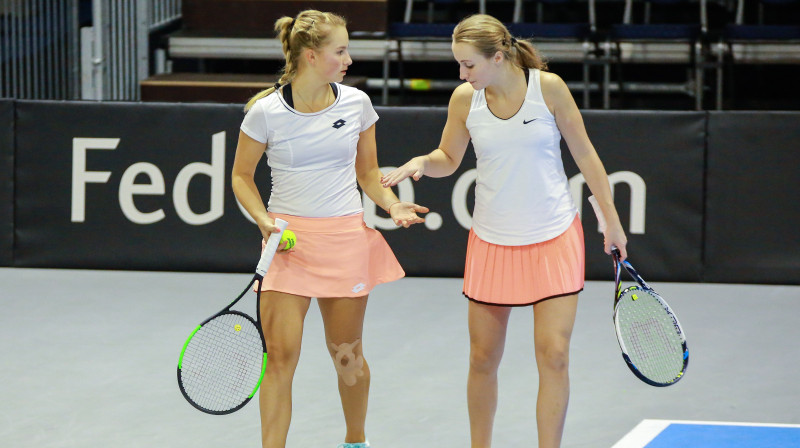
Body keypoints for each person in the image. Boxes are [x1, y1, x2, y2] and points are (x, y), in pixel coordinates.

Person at [380, 14, 628, 448]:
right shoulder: (464, 99)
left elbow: (586, 157)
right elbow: (448, 157)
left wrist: (611, 221)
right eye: (458, 65)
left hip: (553, 236)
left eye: (469, 65)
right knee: (482, 359)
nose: (462, 74)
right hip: (492, 243)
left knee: (554, 356)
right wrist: (424, 162)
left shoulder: (548, 89)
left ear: (498, 57)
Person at [231, 10, 428, 448]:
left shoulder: (357, 103)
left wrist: (393, 206)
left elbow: (368, 173)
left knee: (347, 358)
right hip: (287, 244)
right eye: (340, 51)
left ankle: (355, 441)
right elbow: (241, 176)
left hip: (343, 240)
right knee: (280, 359)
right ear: (312, 55)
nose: (349, 59)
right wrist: (264, 222)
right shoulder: (265, 112)